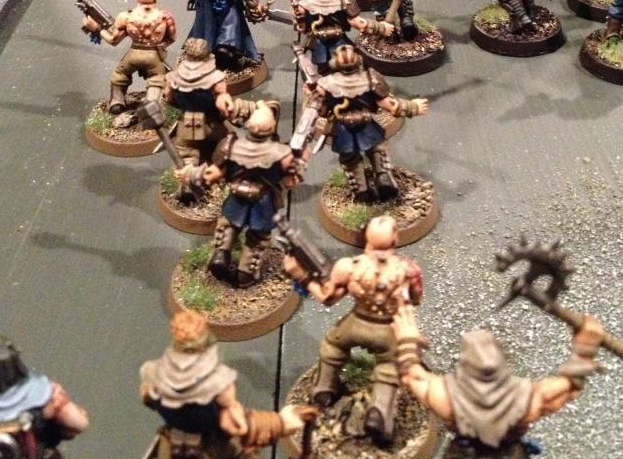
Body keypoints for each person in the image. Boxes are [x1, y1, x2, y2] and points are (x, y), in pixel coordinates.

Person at [392, 306, 604, 459]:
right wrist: (585, 350)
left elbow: (412, 374)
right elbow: (569, 386)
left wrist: (407, 339)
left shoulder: (447, 399)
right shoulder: (524, 401)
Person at [138, 310, 313, 459]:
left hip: (212, 441)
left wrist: (279, 423)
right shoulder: (164, 383)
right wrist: (280, 423)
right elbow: (238, 423)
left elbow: (240, 422)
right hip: (182, 449)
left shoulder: (159, 381)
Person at [284, 215, 423, 444]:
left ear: (366, 236)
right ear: (395, 238)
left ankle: (324, 389)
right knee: (389, 365)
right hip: (387, 330)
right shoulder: (408, 271)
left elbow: (327, 297)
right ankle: (380, 412)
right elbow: (415, 300)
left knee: (333, 346)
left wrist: (300, 275)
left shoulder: (349, 267)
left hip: (356, 322)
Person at [176, 101, 306, 286]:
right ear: (271, 128)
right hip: (264, 202)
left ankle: (222, 252)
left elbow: (213, 173)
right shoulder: (283, 155)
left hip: (237, 196)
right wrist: (300, 164)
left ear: (249, 126)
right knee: (258, 238)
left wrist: (190, 173)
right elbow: (289, 182)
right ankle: (246, 272)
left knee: (228, 225)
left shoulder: (231, 147)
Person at [304, 44, 429, 202]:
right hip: (365, 125)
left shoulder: (325, 84)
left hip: (343, 129)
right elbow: (389, 104)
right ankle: (380, 177)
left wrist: (311, 94)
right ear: (358, 61)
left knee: (352, 160)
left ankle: (362, 189)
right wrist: (412, 107)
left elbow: (321, 111)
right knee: (377, 150)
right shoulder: (370, 79)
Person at [162, 38, 255, 204]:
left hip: (188, 123)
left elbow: (168, 98)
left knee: (187, 153)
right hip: (212, 123)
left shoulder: (173, 78)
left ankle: (189, 183)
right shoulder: (216, 78)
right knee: (227, 144)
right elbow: (222, 99)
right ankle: (222, 172)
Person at [82, 0, 175, 114]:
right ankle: (152, 102)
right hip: (154, 56)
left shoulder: (126, 17)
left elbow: (113, 40)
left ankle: (117, 101)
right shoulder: (166, 17)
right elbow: (172, 38)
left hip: (134, 54)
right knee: (157, 79)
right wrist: (161, 47)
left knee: (120, 76)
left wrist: (97, 29)